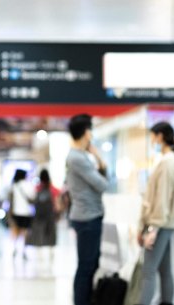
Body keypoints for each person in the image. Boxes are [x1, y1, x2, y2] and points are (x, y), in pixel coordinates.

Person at [136, 122, 174, 305]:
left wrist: (152, 229)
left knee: (148, 272)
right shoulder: (169, 161)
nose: (152, 140)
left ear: (160, 136)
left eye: (153, 136)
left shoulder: (167, 163)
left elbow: (162, 198)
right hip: (165, 222)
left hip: (159, 222)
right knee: (164, 270)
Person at [66, 114, 108, 305]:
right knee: (86, 266)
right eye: (90, 129)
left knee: (90, 264)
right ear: (86, 133)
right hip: (87, 217)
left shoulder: (81, 156)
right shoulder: (77, 157)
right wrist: (99, 158)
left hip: (90, 215)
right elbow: (102, 184)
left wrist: (97, 157)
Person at [25, 169, 59, 258]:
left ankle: (39, 254)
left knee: (38, 232)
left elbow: (33, 200)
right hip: (50, 215)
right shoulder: (53, 189)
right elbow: (56, 202)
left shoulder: (37, 188)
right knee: (51, 232)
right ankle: (51, 253)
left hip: (39, 215)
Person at [8, 169, 36, 259]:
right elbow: (33, 198)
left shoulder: (14, 186)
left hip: (16, 212)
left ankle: (15, 248)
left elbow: (10, 201)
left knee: (16, 231)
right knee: (25, 232)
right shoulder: (29, 185)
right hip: (26, 212)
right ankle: (24, 250)